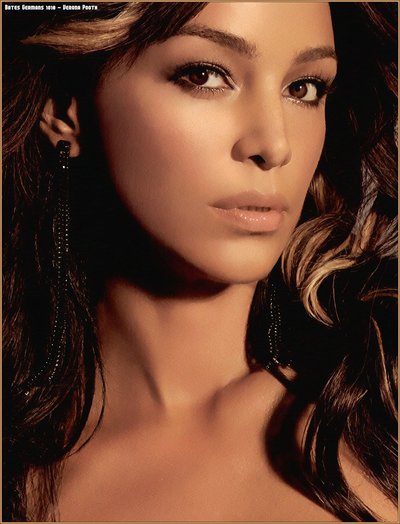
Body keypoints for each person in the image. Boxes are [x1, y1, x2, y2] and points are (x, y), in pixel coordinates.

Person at [3, 2, 397, 521]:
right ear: (63, 109)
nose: (274, 145)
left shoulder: (380, 414)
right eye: (205, 75)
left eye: (304, 89)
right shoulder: (17, 467)